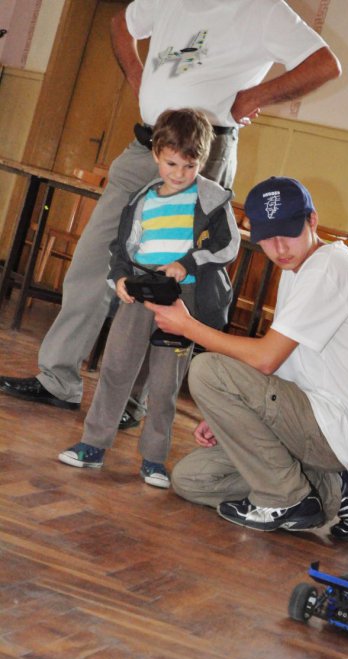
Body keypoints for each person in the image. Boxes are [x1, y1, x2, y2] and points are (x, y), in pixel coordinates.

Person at [0, 0, 341, 430]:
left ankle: (134, 399)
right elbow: (121, 24)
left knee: (167, 280)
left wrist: (253, 97)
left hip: (201, 157)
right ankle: (58, 379)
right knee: (92, 260)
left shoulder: (262, 9)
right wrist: (137, 75)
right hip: (147, 146)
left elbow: (324, 65)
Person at [146, 176, 348, 538]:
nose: (279, 248)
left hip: (332, 426)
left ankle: (287, 497)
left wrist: (188, 327)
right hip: (304, 420)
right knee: (191, 479)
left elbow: (266, 359)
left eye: (288, 232)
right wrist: (232, 412)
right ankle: (326, 489)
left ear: (312, 220)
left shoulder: (327, 268)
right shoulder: (297, 269)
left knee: (206, 369)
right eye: (267, 237)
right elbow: (283, 361)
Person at [57, 108, 240, 489]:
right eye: (171, 163)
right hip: (140, 293)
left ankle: (154, 459)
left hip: (181, 302)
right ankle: (93, 444)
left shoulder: (210, 197)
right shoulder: (142, 198)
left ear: (202, 160)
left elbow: (228, 247)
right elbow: (122, 247)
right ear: (156, 153)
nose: (179, 173)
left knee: (165, 383)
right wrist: (120, 278)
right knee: (115, 368)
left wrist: (187, 263)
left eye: (189, 166)